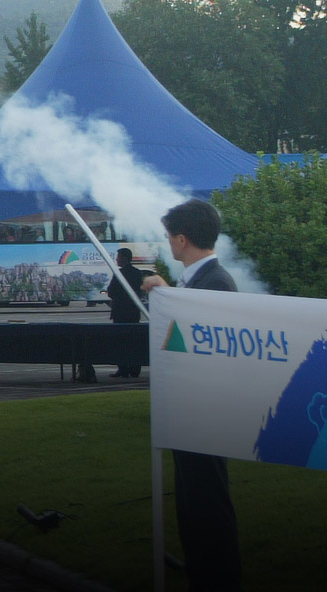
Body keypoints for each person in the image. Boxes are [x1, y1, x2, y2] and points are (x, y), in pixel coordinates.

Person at [142, 199, 240, 592]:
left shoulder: (216, 282)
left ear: (182, 239)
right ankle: (203, 573)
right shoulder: (200, 281)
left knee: (207, 503)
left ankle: (218, 578)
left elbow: (206, 340)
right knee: (191, 504)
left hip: (206, 414)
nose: (168, 243)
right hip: (190, 412)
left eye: (169, 237)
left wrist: (169, 295)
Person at [106, 247, 149, 378]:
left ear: (124, 258)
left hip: (120, 312)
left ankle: (123, 369)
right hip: (133, 312)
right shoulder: (137, 273)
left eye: (118, 257)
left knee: (121, 342)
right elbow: (141, 291)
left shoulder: (119, 273)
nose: (116, 259)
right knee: (133, 341)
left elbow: (111, 292)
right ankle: (135, 369)